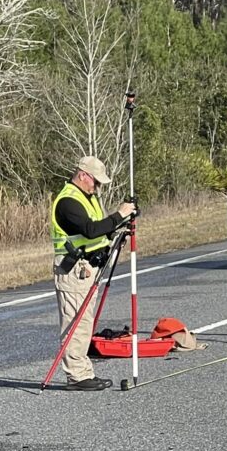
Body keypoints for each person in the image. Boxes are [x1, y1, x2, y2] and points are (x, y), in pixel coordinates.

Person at [50, 156, 136, 391]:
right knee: (75, 323)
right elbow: (89, 230)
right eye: (95, 182)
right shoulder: (69, 201)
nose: (97, 187)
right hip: (73, 270)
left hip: (88, 270)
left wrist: (119, 225)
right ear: (82, 175)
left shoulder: (89, 199)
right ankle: (77, 376)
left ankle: (83, 371)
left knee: (84, 322)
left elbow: (99, 231)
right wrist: (118, 215)